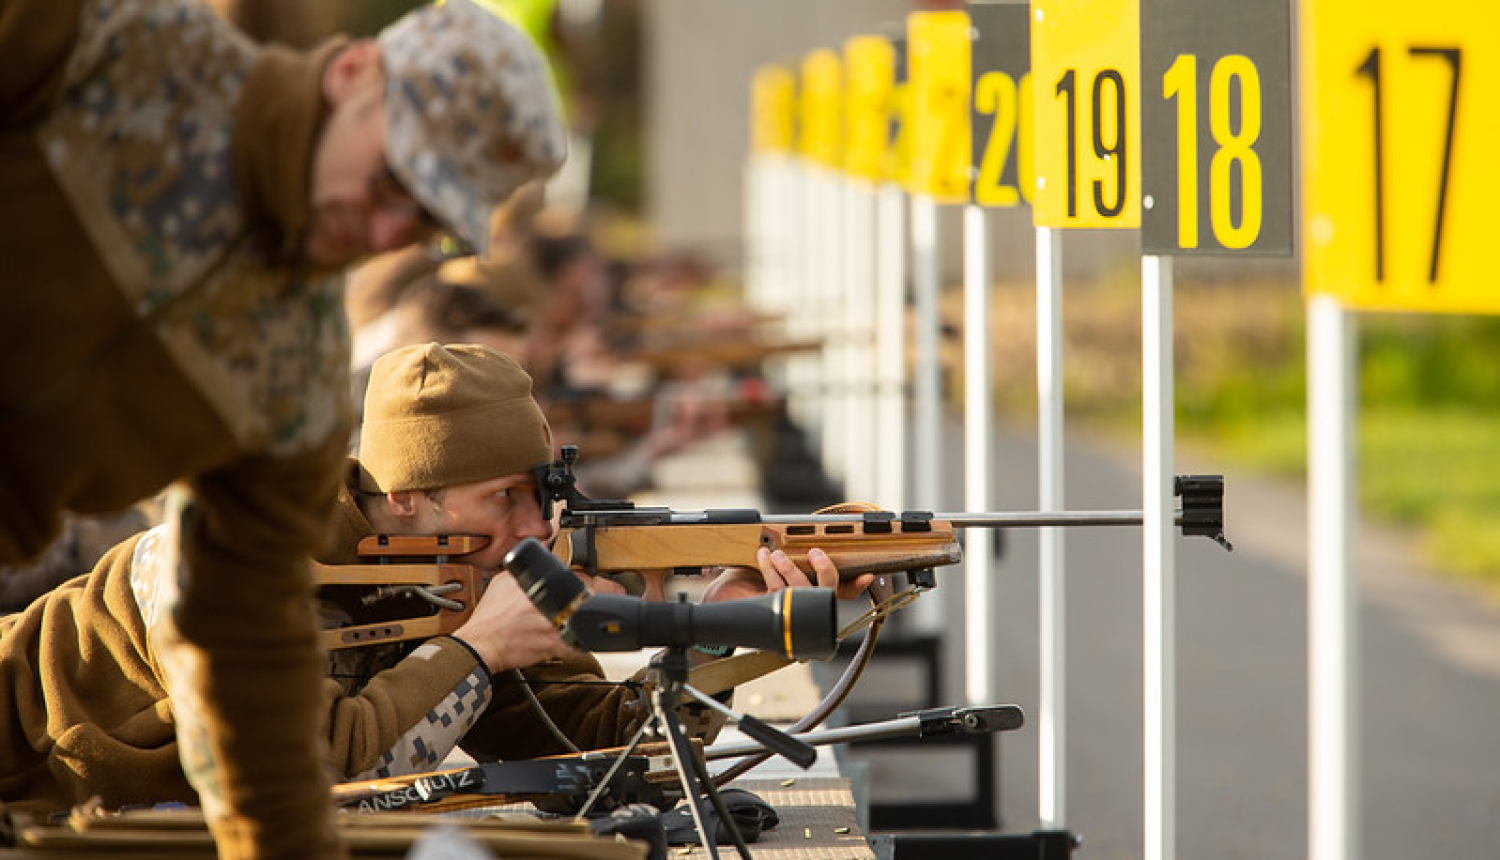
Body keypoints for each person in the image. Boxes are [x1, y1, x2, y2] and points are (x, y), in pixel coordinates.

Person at [0, 1, 565, 858]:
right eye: (388, 184)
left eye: (417, 224)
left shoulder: (293, 384)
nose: (382, 234)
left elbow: (247, 671)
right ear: (352, 75)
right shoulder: (127, 50)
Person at [0, 343, 870, 810]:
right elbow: (314, 780)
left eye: (545, 498)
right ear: (409, 497)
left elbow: (591, 753)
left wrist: (728, 630)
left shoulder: (454, 572)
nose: (537, 530)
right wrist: (477, 652)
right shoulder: (239, 552)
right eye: (505, 499)